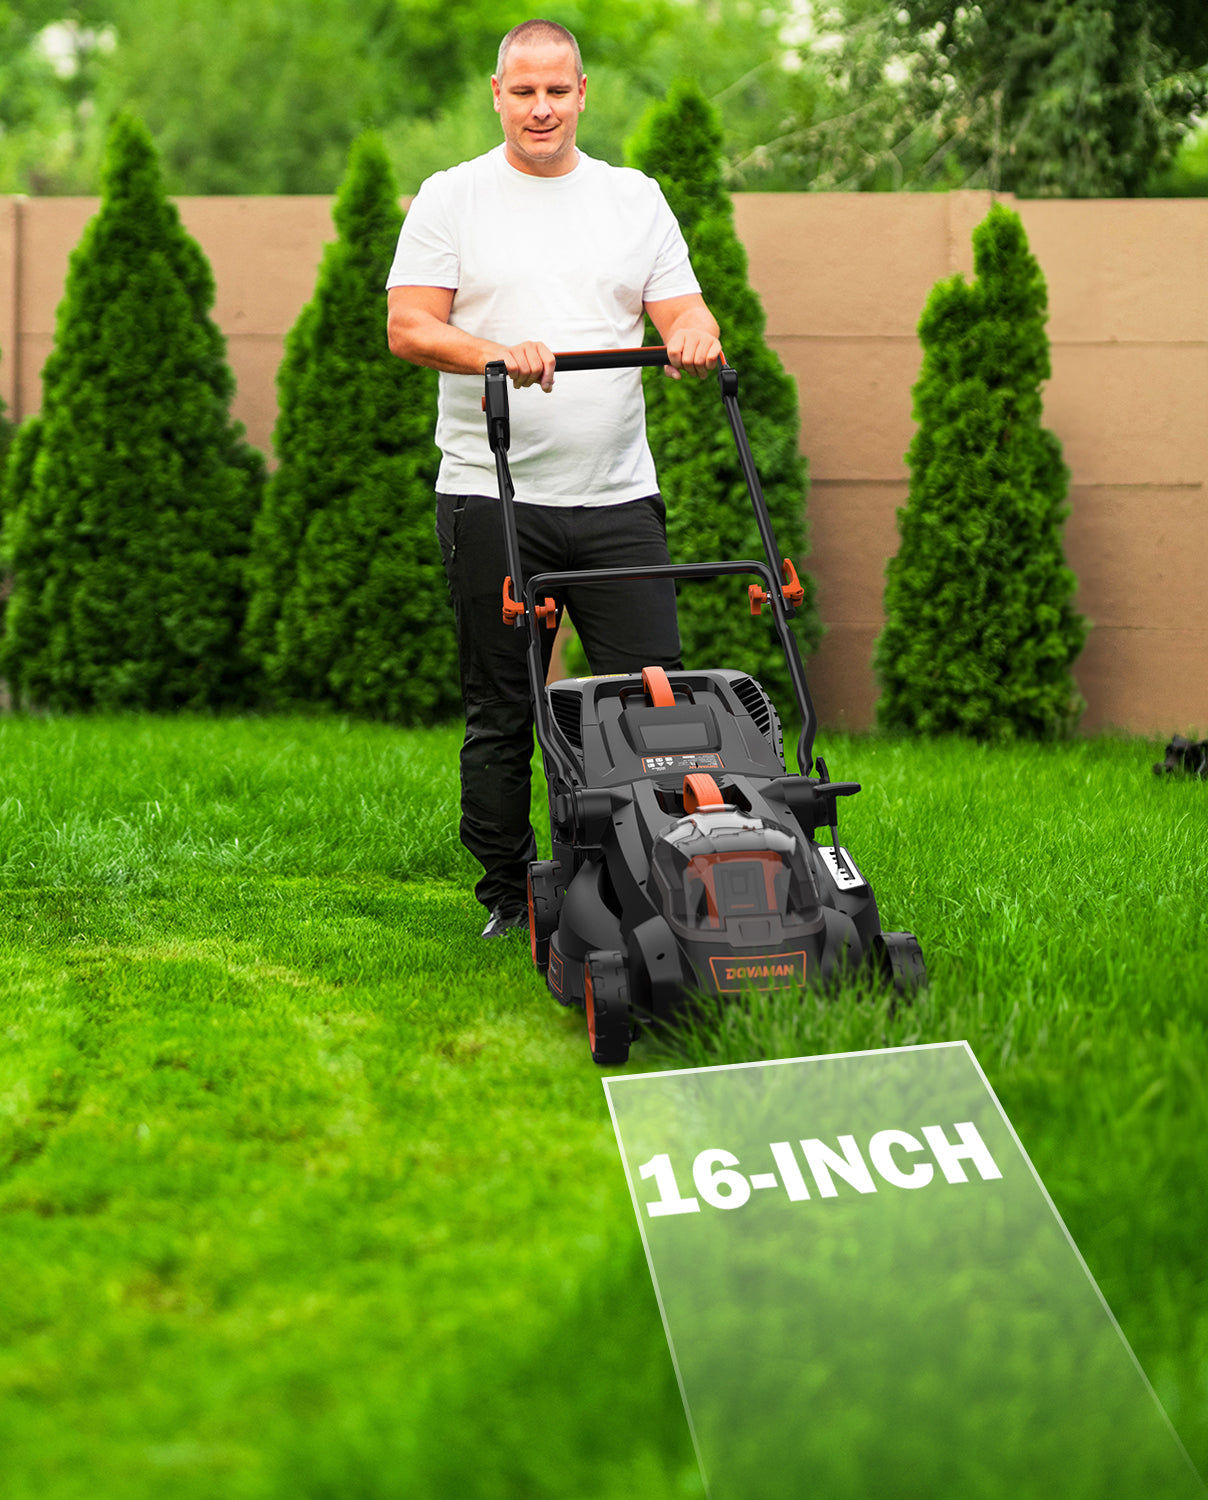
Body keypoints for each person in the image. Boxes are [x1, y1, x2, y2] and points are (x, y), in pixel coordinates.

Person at [386, 17, 722, 938]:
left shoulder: (634, 197)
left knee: (649, 695)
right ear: (496, 95)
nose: (542, 108)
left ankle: (639, 874)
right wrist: (498, 353)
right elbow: (410, 327)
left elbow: (682, 307)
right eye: (523, 91)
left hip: (618, 494)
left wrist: (694, 333)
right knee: (503, 704)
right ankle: (505, 893)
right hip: (492, 494)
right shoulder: (452, 199)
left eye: (558, 91)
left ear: (583, 95)